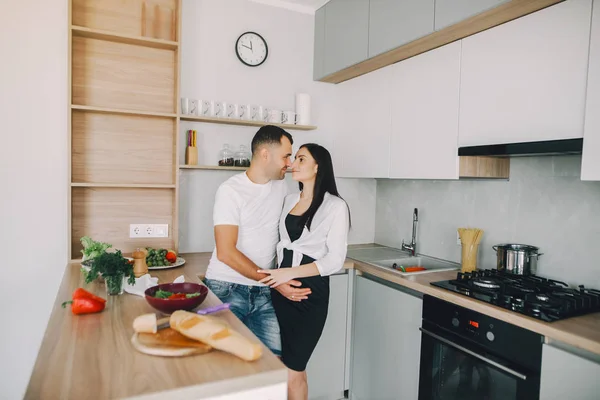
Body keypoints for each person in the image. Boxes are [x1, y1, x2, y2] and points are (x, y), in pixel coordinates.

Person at [203, 125, 313, 357]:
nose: (289, 162)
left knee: (273, 365)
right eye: (285, 155)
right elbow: (225, 252)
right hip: (227, 288)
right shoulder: (230, 191)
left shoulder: (280, 186)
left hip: (264, 292)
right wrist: (275, 281)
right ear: (265, 154)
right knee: (223, 364)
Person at [258, 143, 351, 400]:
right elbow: (279, 246)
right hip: (279, 290)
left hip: (309, 294)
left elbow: (334, 260)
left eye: (301, 159)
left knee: (294, 368)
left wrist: (287, 274)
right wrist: (278, 279)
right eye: (293, 158)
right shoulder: (290, 200)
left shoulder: (335, 206)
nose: (292, 164)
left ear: (317, 166)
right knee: (282, 367)